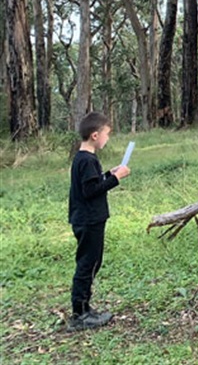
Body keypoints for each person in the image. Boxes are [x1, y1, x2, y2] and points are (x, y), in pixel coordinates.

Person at [67, 112, 130, 331]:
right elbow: (90, 191)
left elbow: (92, 183)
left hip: (89, 219)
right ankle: (79, 314)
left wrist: (106, 174)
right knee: (87, 264)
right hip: (89, 220)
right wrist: (115, 178)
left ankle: (85, 308)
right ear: (95, 135)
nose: (107, 138)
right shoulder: (86, 160)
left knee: (92, 262)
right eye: (107, 134)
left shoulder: (84, 158)